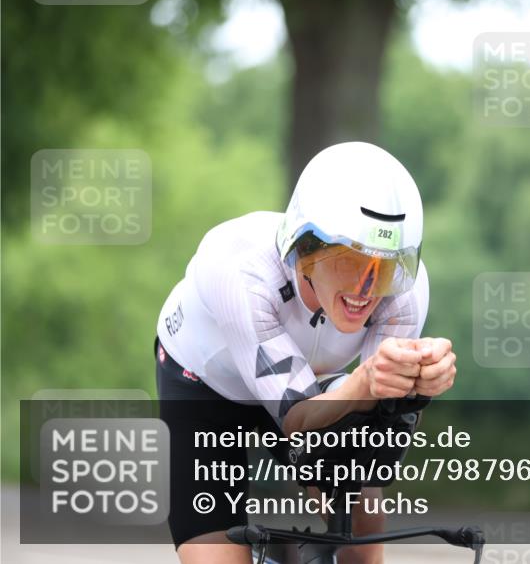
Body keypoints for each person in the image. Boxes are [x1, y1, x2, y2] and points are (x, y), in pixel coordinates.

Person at [154, 142, 457, 564]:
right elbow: (297, 418)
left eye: (384, 266)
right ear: (305, 248)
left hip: (311, 382)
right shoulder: (241, 269)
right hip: (207, 385)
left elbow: (380, 435)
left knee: (362, 518)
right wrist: (366, 379)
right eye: (349, 261)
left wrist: (416, 384)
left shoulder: (405, 291)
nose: (366, 289)